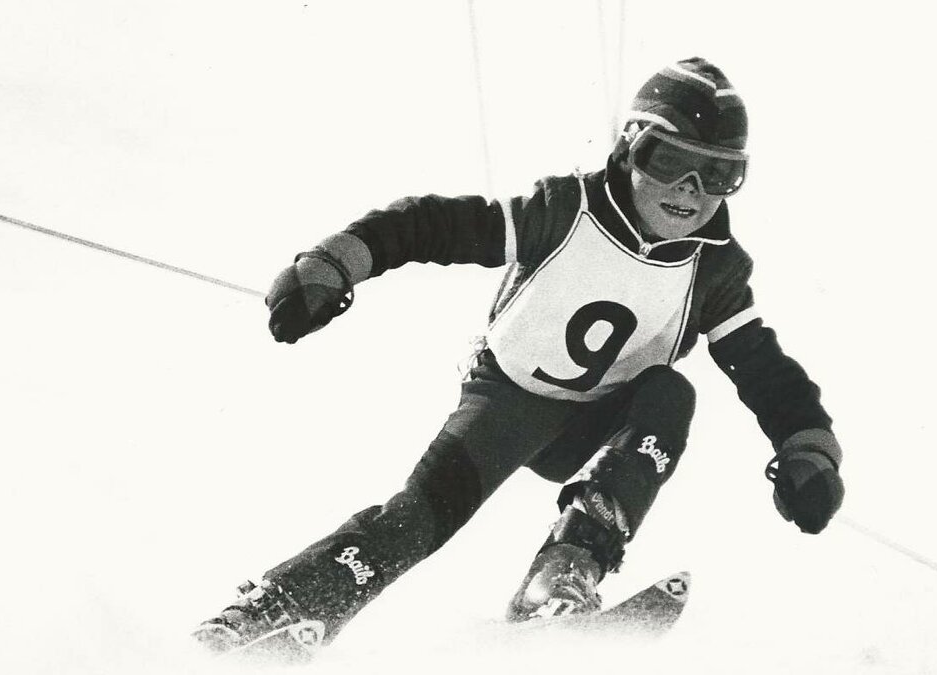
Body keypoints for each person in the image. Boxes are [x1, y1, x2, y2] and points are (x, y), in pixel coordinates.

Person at [193, 56, 845, 654]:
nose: (693, 190)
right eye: (671, 161)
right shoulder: (566, 211)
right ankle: (265, 613)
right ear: (630, 147)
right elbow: (436, 225)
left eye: (722, 173)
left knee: (672, 395)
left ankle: (562, 575)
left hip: (604, 425)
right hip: (506, 405)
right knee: (416, 521)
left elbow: (763, 368)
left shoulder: (716, 269)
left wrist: (808, 446)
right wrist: (337, 262)